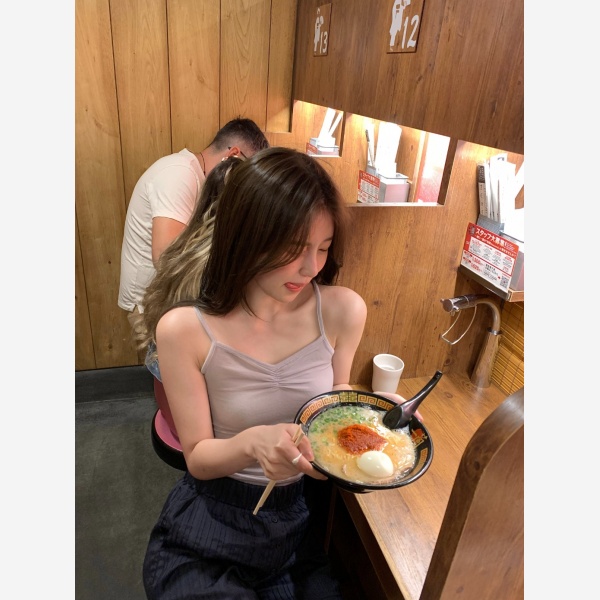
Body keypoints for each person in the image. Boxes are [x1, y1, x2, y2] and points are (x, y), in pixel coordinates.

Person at [141, 147, 368, 599]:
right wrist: (252, 444)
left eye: (323, 248)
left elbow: (335, 395)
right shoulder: (184, 330)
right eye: (294, 248)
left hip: (292, 525)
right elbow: (198, 458)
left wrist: (371, 419)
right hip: (211, 523)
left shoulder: (343, 310)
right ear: (247, 235)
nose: (311, 267)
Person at [117, 117, 269, 327]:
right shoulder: (179, 174)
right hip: (151, 301)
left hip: (169, 295)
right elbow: (165, 257)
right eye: (246, 173)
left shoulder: (198, 176)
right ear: (233, 154)